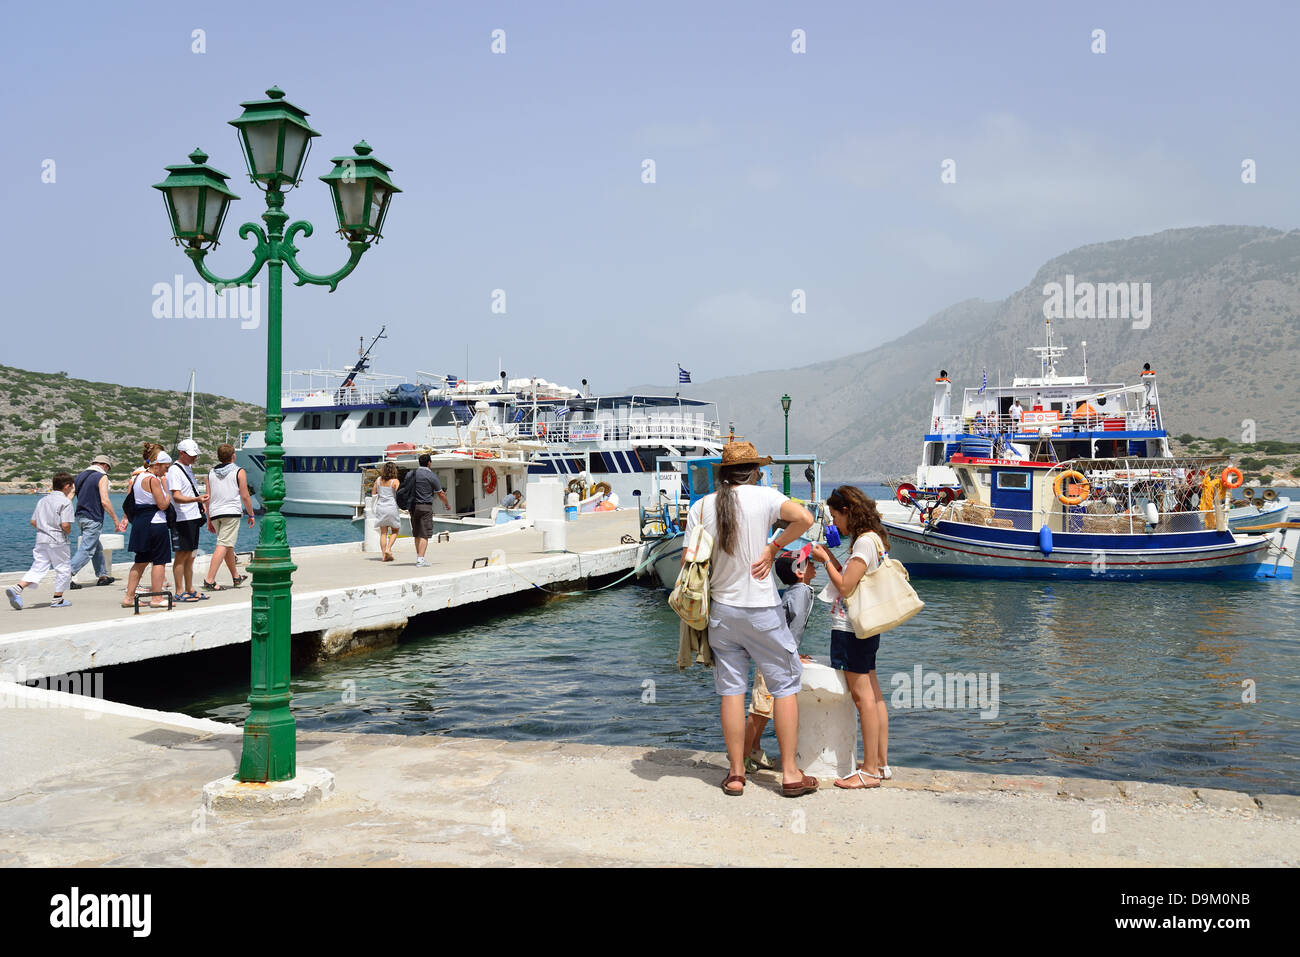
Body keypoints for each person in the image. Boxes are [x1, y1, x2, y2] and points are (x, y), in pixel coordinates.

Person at [684, 441, 818, 797]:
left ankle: (736, 774)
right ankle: (790, 774)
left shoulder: (701, 506)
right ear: (755, 471)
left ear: (723, 474)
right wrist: (773, 548)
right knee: (785, 686)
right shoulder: (766, 497)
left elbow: (689, 558)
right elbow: (805, 519)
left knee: (731, 692)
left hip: (722, 614)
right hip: (761, 610)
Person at [810, 486, 892, 790]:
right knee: (873, 694)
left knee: (863, 698)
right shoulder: (873, 540)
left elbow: (845, 586)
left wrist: (825, 561)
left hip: (852, 627)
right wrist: (830, 556)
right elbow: (853, 579)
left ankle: (869, 771)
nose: (835, 523)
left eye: (835, 516)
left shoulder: (863, 543)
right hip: (866, 627)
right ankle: (879, 763)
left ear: (847, 512)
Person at [743, 554, 816, 773]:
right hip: (773, 658)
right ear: (799, 572)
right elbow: (794, 628)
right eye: (809, 563)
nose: (814, 565)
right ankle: (741, 756)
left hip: (771, 654)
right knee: (759, 710)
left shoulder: (794, 592)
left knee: (765, 709)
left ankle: (753, 749)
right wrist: (792, 653)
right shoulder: (802, 592)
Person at [5, 473, 76, 610]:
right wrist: (68, 532)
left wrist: (45, 528)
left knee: (38, 566)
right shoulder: (65, 502)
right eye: (71, 486)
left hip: (41, 539)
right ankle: (58, 599)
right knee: (63, 568)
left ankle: (18, 588)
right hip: (57, 540)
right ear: (67, 486)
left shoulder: (42, 501)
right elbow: (65, 525)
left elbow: (33, 521)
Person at [68, 453, 127, 589]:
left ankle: (102, 576)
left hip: (80, 516)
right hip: (93, 517)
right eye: (108, 468)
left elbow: (70, 496)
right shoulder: (101, 477)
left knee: (96, 547)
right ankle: (66, 575)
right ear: (105, 465)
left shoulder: (80, 476)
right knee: (87, 549)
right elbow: (105, 501)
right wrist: (115, 520)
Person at [123, 452, 174, 609]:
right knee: (159, 561)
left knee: (140, 561)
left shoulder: (138, 478)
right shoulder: (153, 480)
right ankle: (157, 598)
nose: (166, 471)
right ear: (156, 465)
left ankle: (129, 597)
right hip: (155, 523)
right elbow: (163, 505)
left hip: (140, 523)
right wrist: (168, 494)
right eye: (166, 467)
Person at [201, 443, 255, 590]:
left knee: (227, 546)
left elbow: (208, 497)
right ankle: (210, 579)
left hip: (215, 513)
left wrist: (209, 519)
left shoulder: (210, 473)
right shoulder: (239, 471)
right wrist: (251, 514)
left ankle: (236, 577)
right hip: (231, 512)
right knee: (224, 544)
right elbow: (245, 495)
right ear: (233, 456)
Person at [168, 439, 209, 602]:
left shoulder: (188, 468)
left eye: (195, 455)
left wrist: (200, 504)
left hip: (193, 516)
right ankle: (179, 591)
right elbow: (176, 496)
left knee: (191, 554)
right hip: (182, 518)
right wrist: (196, 500)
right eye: (191, 455)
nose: (194, 458)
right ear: (181, 453)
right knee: (181, 554)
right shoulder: (174, 471)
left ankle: (189, 587)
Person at [409, 453, 450, 567]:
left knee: (417, 533)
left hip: (413, 507)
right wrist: (447, 504)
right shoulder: (431, 476)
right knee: (424, 534)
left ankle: (419, 557)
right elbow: (440, 493)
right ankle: (421, 560)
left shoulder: (412, 473)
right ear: (429, 463)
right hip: (425, 507)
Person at [372, 461, 401, 562]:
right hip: (391, 507)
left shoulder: (378, 480)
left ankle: (384, 556)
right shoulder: (395, 481)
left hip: (381, 507)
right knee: (395, 530)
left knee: (383, 533)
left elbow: (373, 493)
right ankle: (388, 549)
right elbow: (400, 494)